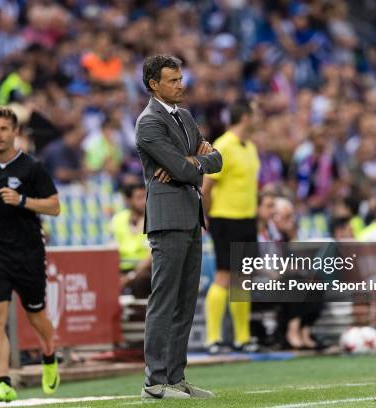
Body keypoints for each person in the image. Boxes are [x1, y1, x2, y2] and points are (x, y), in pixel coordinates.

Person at [136, 55, 222, 399]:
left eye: (181, 78)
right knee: (164, 299)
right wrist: (191, 162)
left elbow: (216, 159)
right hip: (167, 217)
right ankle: (154, 382)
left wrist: (192, 161)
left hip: (190, 213)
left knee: (186, 301)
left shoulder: (184, 116)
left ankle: (175, 376)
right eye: (172, 80)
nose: (180, 85)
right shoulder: (148, 123)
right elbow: (187, 169)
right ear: (154, 84)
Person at [0, 106, 61, 403]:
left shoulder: (32, 168)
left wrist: (22, 200)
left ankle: (49, 355)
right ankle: (3, 381)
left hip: (28, 253)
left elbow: (54, 206)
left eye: (3, 129)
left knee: (36, 315)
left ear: (15, 132)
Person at [202, 100, 260, 354]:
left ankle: (242, 338)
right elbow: (208, 185)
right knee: (224, 276)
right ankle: (213, 339)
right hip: (225, 218)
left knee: (243, 279)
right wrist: (203, 215)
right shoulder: (224, 145)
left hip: (248, 218)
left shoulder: (250, 147)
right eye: (255, 113)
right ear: (245, 117)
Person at [110, 182, 151, 298]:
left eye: (145, 197)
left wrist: (130, 276)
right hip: (121, 268)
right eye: (139, 197)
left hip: (143, 269)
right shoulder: (118, 219)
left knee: (142, 280)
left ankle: (141, 315)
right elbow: (111, 248)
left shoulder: (153, 220)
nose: (144, 201)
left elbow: (151, 255)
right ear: (128, 200)